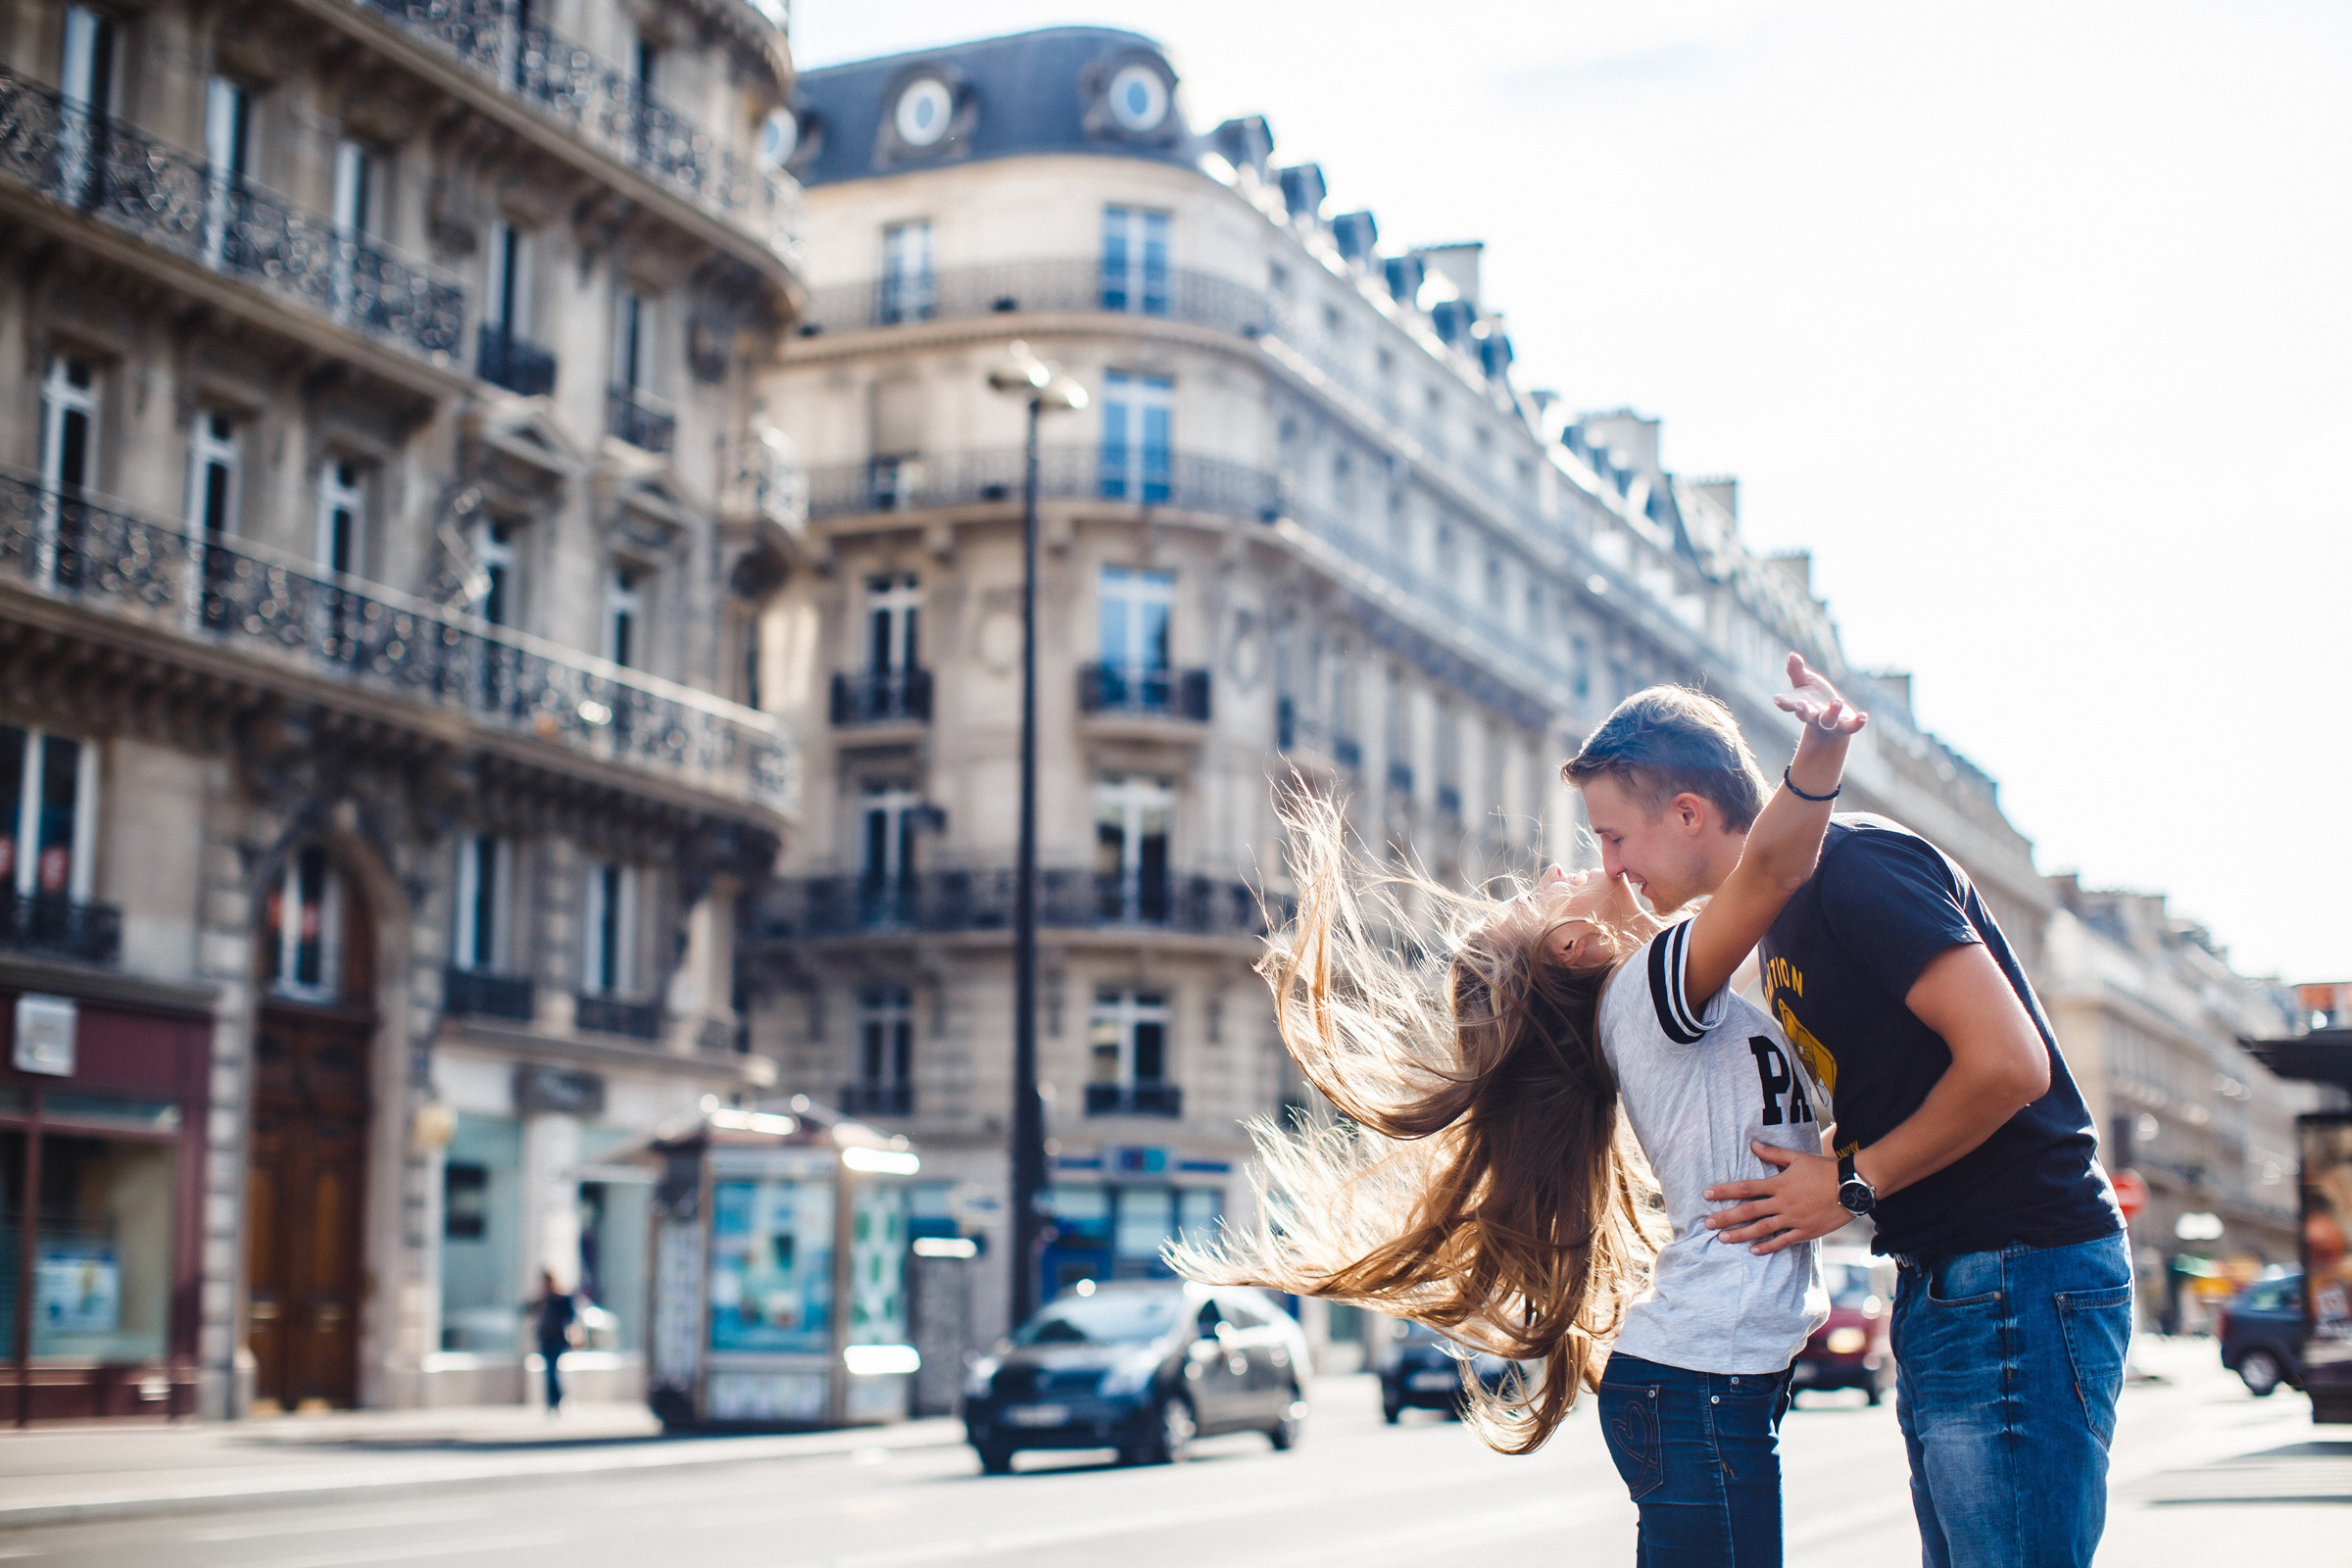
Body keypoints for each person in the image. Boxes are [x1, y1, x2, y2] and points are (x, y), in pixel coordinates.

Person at [1179, 655, 1862, 1567]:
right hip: (1702, 1380)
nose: (1570, 866)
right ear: (1573, 945)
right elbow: (1770, 869)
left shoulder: (1667, 997)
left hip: (1712, 1377)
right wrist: (1821, 751)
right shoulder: (1652, 992)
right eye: (1547, 891)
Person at [1565, 681, 2130, 1568]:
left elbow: (2010, 1065)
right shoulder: (1774, 928)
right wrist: (1820, 1168)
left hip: (2016, 1263)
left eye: (1613, 837)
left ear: (1687, 813)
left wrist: (1850, 1185)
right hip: (1951, 1277)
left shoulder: (1853, 865)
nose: (1610, 867)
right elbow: (1901, 1097)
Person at [531, 1267, 579, 1414]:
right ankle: (551, 1402)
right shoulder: (543, 1299)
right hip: (545, 1338)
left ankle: (557, 1400)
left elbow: (571, 1316)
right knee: (548, 1371)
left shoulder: (561, 1298)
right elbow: (529, 1311)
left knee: (552, 1370)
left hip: (557, 1338)